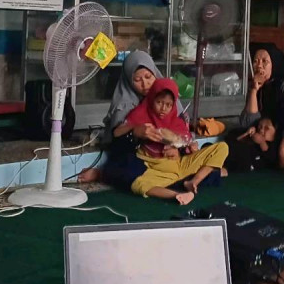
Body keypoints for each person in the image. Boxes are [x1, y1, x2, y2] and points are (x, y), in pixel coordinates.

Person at [128, 79, 229, 205]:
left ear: (173, 105)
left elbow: (186, 141)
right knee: (138, 184)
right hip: (158, 169)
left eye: (168, 105)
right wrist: (140, 132)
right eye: (159, 102)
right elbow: (123, 134)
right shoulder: (141, 116)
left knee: (222, 147)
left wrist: (187, 148)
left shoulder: (177, 122)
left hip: (180, 164)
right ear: (152, 99)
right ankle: (177, 195)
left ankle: (193, 182)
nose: (163, 108)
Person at [88, 51, 166, 189]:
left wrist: (184, 145)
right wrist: (135, 132)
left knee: (205, 155)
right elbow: (117, 145)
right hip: (138, 156)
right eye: (137, 80)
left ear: (155, 73)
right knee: (131, 170)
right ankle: (103, 174)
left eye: (148, 77)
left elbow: (180, 128)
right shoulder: (124, 105)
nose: (145, 84)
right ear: (129, 81)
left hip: (165, 154)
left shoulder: (166, 96)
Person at [241, 44, 284, 172]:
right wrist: (254, 91)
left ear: (274, 63)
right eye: (255, 61)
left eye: (264, 62)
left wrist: (282, 150)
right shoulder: (259, 85)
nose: (259, 66)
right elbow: (248, 123)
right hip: (268, 136)